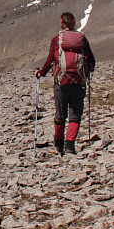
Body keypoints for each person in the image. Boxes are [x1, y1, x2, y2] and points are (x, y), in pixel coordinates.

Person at [34, 12, 96, 155]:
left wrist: (40, 73)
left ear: (62, 23)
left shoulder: (57, 39)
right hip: (79, 82)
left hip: (61, 82)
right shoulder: (82, 40)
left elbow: (50, 60)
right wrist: (87, 71)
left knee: (60, 114)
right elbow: (91, 61)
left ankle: (58, 144)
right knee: (75, 115)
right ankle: (70, 146)